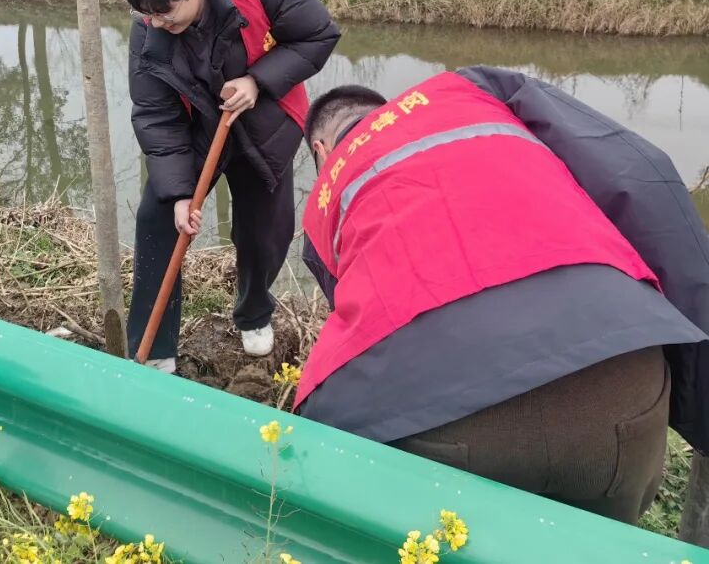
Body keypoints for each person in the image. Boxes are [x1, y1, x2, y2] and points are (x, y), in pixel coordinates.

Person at [296, 66, 709, 523]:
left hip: (446, 422)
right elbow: (637, 179)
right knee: (594, 548)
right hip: (624, 389)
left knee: (454, 541)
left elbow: (360, 341)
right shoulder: (470, 90)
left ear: (321, 150)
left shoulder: (324, 199)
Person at [125, 0, 339, 371]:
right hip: (194, 129)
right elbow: (156, 114)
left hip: (263, 119)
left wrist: (258, 80)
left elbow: (318, 34)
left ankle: (254, 313)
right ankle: (155, 348)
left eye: (167, 13)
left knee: (265, 229)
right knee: (158, 218)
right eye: (149, 15)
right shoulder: (148, 27)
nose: (158, 24)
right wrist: (179, 194)